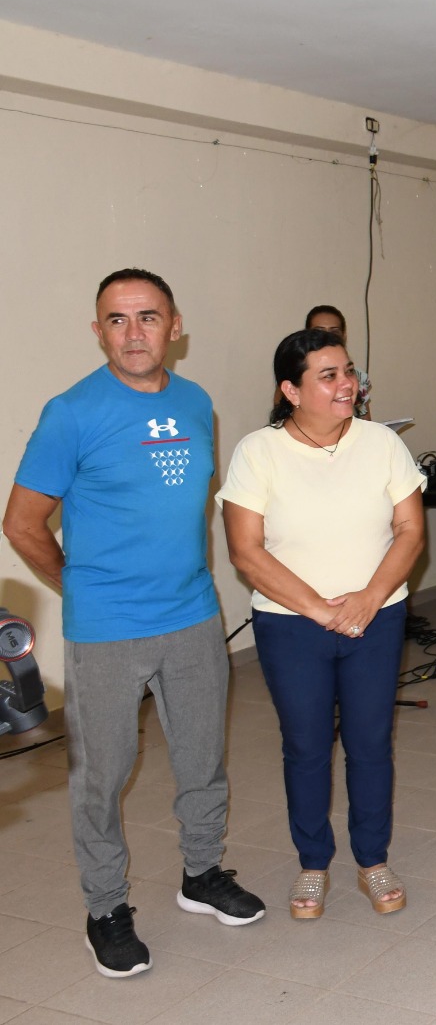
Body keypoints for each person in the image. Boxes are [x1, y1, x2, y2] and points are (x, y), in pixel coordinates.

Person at [3, 269, 265, 979]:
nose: (133, 333)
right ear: (98, 332)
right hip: (107, 630)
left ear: (174, 327)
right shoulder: (71, 412)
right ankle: (105, 909)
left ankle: (202, 874)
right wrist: (79, 584)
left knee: (202, 759)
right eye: (116, 320)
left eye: (148, 317)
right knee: (102, 775)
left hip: (193, 616)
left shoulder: (196, 402)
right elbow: (21, 523)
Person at [217, 328, 425, 919]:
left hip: (376, 619)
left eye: (349, 371)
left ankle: (372, 859)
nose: (346, 385)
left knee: (370, 743)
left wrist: (368, 599)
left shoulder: (381, 442)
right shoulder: (258, 452)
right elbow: (246, 551)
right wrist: (321, 609)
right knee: (306, 746)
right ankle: (313, 864)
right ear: (290, 390)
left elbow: (410, 530)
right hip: (291, 626)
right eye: (328, 375)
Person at [304, 305, 373, 418]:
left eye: (334, 332)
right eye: (319, 332)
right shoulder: (294, 375)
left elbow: (366, 421)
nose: (327, 337)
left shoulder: (358, 377)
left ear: (344, 336)